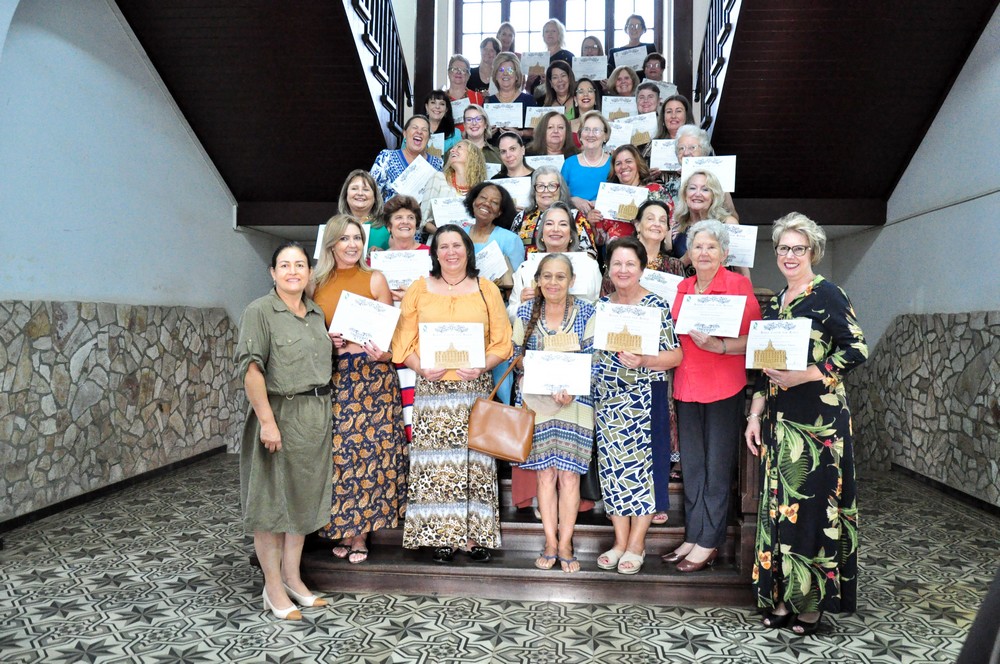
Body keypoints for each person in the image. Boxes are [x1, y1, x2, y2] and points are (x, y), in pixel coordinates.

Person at [744, 213, 866, 635]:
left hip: (819, 424)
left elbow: (857, 348)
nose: (789, 255)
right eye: (783, 248)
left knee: (813, 510)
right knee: (781, 510)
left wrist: (807, 375)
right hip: (779, 420)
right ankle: (781, 596)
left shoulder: (828, 294)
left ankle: (811, 606)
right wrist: (755, 416)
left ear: (813, 251)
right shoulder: (777, 301)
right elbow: (765, 365)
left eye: (798, 248)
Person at [391, 225, 513, 563]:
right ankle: (442, 535)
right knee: (438, 465)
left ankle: (474, 536)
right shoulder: (419, 289)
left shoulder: (487, 289)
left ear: (468, 250)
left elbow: (503, 342)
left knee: (475, 463)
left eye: (456, 245)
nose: (450, 252)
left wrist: (482, 365)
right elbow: (402, 342)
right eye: (442, 246)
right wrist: (419, 367)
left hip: (473, 390)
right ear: (434, 254)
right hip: (434, 391)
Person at [236, 242, 333, 620]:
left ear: (309, 273)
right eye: (284, 265)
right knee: (271, 506)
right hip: (279, 414)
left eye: (300, 265)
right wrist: (267, 422)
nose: (293, 271)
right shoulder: (259, 311)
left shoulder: (315, 313)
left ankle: (292, 578)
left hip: (315, 417)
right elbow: (251, 371)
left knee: (302, 502)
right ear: (272, 273)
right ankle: (272, 587)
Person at [662, 220, 760, 573]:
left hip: (723, 386)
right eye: (698, 246)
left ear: (724, 253)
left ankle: (709, 542)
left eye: (711, 247)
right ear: (689, 252)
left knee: (716, 469)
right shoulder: (684, 287)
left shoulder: (738, 285)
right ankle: (693, 534)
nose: (703, 253)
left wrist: (719, 346)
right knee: (693, 466)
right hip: (687, 386)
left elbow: (754, 340)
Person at [311, 216, 405, 566]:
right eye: (344, 238)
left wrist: (383, 352)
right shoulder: (314, 283)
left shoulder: (375, 279)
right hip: (336, 376)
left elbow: (391, 332)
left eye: (356, 238)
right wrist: (327, 341)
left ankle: (361, 534)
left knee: (371, 454)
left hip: (373, 377)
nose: (351, 244)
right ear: (331, 243)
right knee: (340, 454)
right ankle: (345, 526)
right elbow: (309, 332)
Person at [594, 237, 683, 575]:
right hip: (608, 400)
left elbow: (676, 355)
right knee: (613, 470)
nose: (623, 270)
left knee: (646, 472)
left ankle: (637, 542)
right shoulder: (602, 305)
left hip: (646, 398)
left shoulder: (657, 304)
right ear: (608, 268)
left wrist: (645, 359)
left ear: (642, 268)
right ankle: (619, 541)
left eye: (630, 264)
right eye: (617, 263)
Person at [512, 253, 596, 573]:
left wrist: (572, 387)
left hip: (576, 403)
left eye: (560, 277)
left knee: (570, 475)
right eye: (546, 276)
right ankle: (549, 541)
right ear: (538, 280)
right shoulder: (525, 311)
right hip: (538, 403)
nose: (553, 283)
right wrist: (537, 372)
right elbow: (514, 358)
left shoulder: (588, 311)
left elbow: (594, 357)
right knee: (545, 475)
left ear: (572, 281)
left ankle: (566, 543)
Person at [381, 196, 429, 446]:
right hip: (392, 341)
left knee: (420, 408)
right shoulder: (376, 263)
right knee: (400, 408)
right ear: (388, 225)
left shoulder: (431, 256)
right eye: (398, 217)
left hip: (423, 341)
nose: (405, 222)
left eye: (410, 217)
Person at [508, 202, 603, 322]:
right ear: (541, 234)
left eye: (563, 224)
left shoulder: (589, 266)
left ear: (572, 235)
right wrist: (522, 304)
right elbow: (510, 316)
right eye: (549, 224)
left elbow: (600, 309)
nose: (555, 229)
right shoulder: (526, 268)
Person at [672, 169, 746, 277]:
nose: (697, 194)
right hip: (684, 290)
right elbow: (669, 269)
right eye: (692, 188)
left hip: (722, 291)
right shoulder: (676, 225)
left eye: (705, 189)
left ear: (713, 196)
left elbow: (742, 269)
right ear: (684, 194)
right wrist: (686, 259)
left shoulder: (729, 223)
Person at [511, 166, 597, 257]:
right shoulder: (521, 218)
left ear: (561, 189)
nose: (546, 191)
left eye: (552, 186)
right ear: (534, 190)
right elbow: (511, 252)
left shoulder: (576, 217)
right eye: (540, 186)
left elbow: (590, 254)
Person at [597, 145, 669, 244]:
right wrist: (593, 223)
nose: (623, 166)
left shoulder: (655, 191)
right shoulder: (608, 196)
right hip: (616, 255)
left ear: (638, 164)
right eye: (618, 163)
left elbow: (670, 225)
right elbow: (599, 241)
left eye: (629, 161)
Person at [370, 115, 443, 201]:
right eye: (414, 127)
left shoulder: (438, 163)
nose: (419, 132)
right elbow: (371, 192)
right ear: (405, 133)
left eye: (424, 130)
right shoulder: (387, 157)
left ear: (429, 137)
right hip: (389, 213)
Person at [562, 110, 611, 237]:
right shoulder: (569, 163)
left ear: (605, 135)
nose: (591, 134)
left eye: (596, 130)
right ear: (580, 135)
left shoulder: (614, 163)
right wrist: (573, 200)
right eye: (586, 129)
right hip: (574, 228)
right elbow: (559, 195)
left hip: (607, 227)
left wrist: (601, 203)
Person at [421, 139, 487, 234]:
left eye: (459, 147)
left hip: (471, 244)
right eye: (453, 148)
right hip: (441, 243)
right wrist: (444, 235)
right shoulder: (439, 178)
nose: (452, 150)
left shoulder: (481, 189)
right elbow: (423, 221)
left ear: (473, 155)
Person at [674, 124, 739, 218]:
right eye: (681, 148)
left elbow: (732, 218)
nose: (686, 152)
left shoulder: (716, 181)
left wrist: (721, 188)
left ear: (703, 151)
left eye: (692, 147)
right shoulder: (670, 186)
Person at [464, 181, 525, 270]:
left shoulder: (510, 239)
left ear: (499, 212)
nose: (487, 203)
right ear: (473, 202)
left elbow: (517, 277)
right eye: (483, 198)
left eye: (494, 202)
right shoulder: (459, 234)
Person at [643, 94, 694, 188]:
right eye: (669, 111)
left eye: (678, 111)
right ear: (663, 117)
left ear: (687, 115)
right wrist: (648, 176)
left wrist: (692, 172)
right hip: (658, 198)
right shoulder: (652, 146)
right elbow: (640, 177)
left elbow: (711, 174)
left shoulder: (699, 142)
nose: (673, 116)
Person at [337, 170, 386, 253]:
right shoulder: (334, 227)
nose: (360, 193)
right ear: (346, 195)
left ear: (375, 197)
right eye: (354, 188)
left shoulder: (388, 227)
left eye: (366, 189)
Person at [446, 54, 485, 120]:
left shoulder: (477, 97)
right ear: (449, 73)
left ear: (468, 76)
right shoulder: (441, 98)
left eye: (463, 70)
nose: (459, 72)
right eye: (455, 69)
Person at [424, 89, 462, 154]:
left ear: (446, 109)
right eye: (433, 102)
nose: (437, 107)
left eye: (442, 104)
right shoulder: (416, 130)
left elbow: (459, 156)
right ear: (427, 107)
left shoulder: (455, 133)